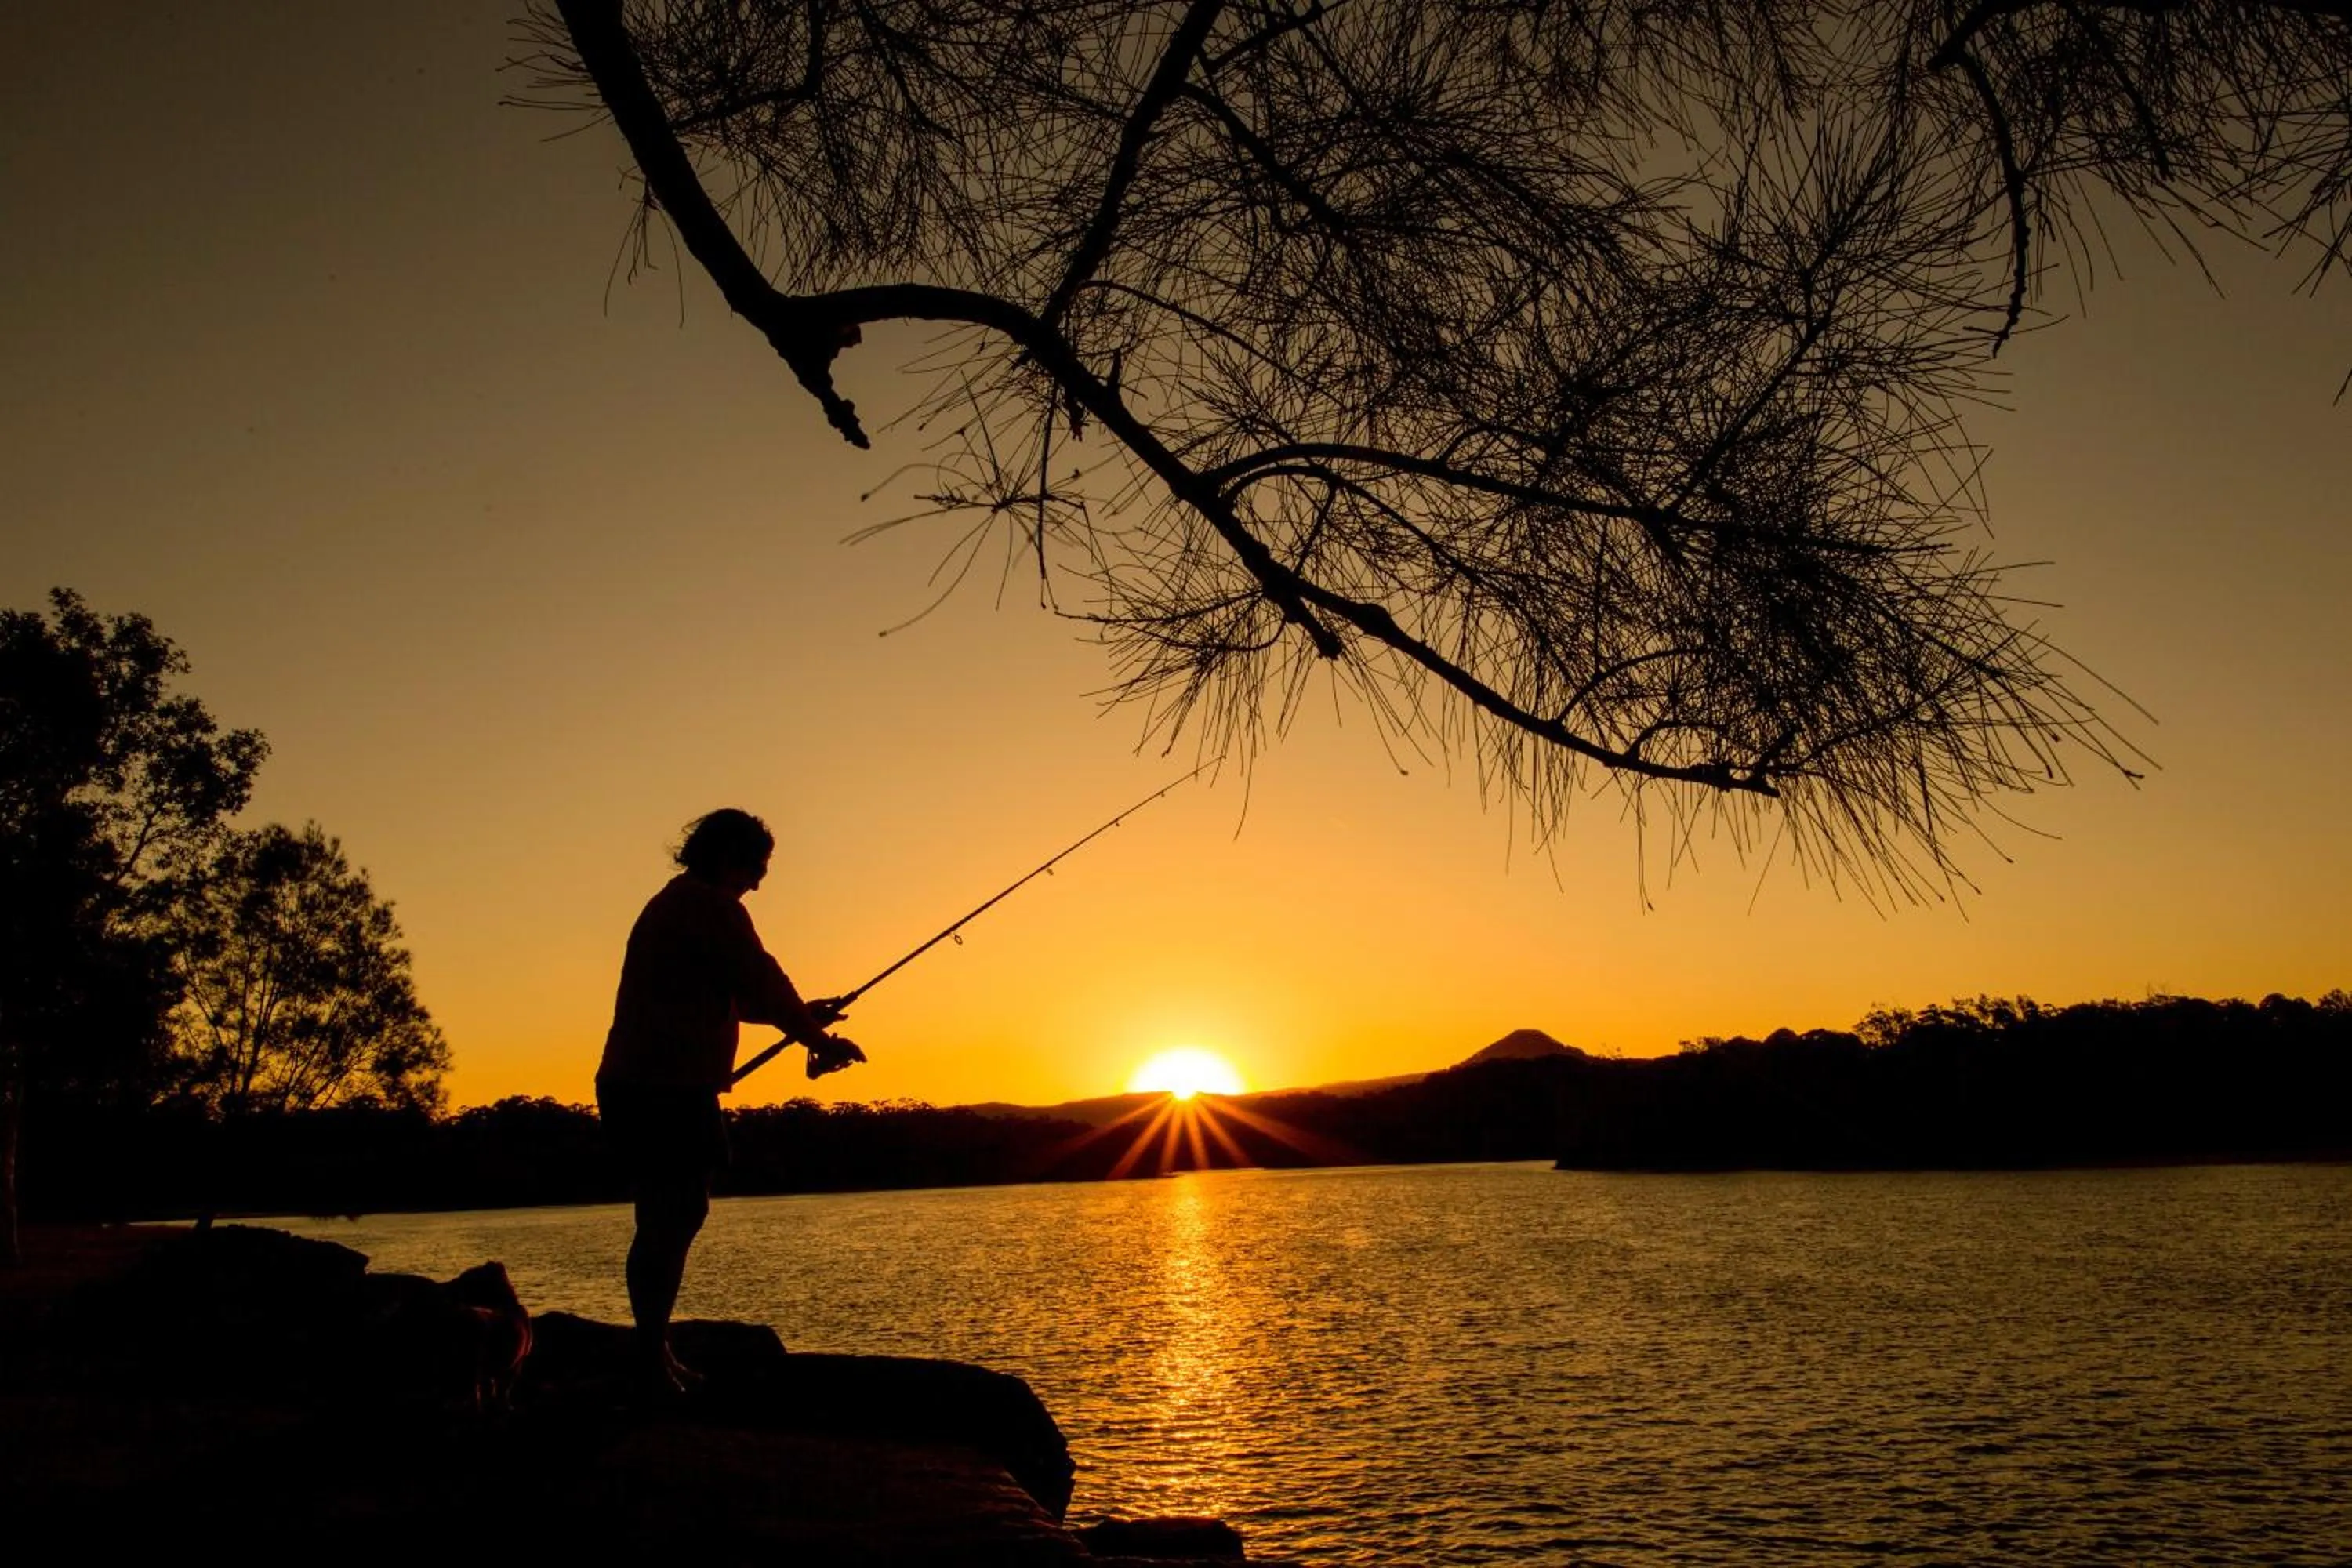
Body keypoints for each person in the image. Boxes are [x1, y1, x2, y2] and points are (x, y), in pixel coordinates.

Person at [595, 808, 859, 1392]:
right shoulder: (710, 908)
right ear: (726, 856)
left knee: (670, 1215)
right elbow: (761, 978)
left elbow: (732, 997)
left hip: (646, 1085)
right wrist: (819, 1041)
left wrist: (799, 1021)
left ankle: (651, 1352)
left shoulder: (678, 906)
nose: (760, 881)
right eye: (756, 866)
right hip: (661, 1089)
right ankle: (649, 1357)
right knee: (673, 1214)